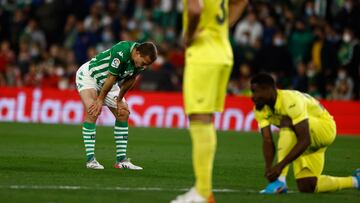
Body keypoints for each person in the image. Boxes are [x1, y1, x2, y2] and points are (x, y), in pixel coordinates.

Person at [171, 0, 248, 202]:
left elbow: (195, 9)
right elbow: (241, 2)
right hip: (223, 51)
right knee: (205, 119)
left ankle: (203, 191)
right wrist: (222, 29)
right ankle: (203, 190)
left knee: (199, 119)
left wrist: (188, 35)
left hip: (203, 53)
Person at [250, 73, 360, 194]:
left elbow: (305, 139)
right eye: (252, 91)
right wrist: (269, 168)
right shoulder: (260, 109)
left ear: (269, 90)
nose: (253, 96)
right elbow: (267, 140)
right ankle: (356, 181)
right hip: (304, 139)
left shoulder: (290, 100)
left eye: (256, 92)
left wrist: (280, 167)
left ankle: (280, 182)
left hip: (324, 129)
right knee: (307, 186)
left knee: (286, 122)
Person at [75, 41, 157, 170]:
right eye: (143, 62)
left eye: (147, 64)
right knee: (93, 110)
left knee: (123, 113)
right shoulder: (122, 51)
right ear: (137, 52)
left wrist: (119, 100)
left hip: (109, 84)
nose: (144, 66)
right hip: (90, 76)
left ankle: (121, 161)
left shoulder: (140, 62)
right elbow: (111, 77)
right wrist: (100, 99)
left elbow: (131, 79)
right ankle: (91, 160)